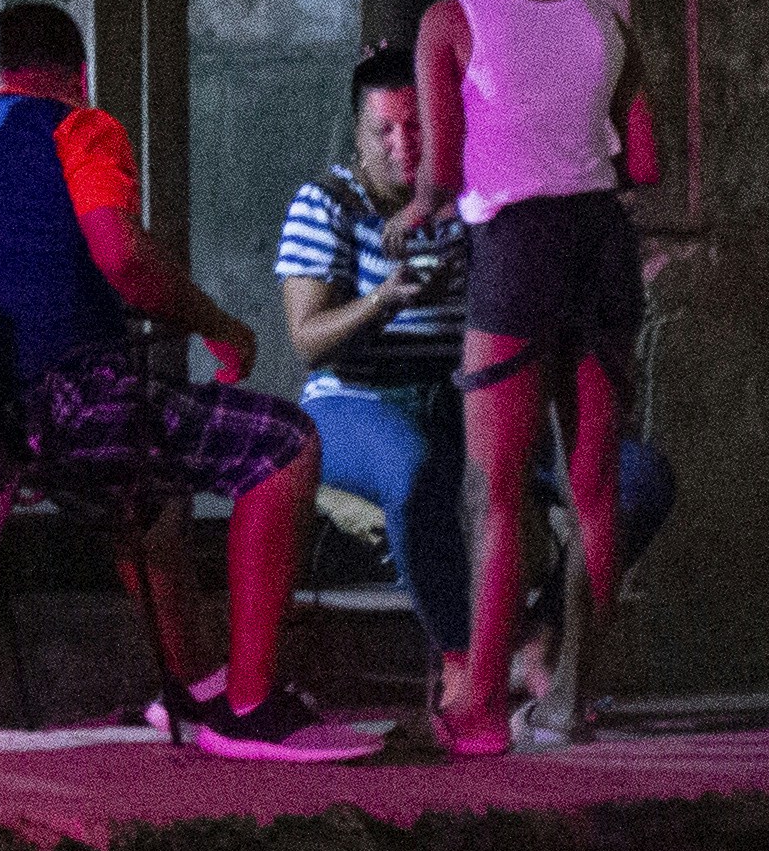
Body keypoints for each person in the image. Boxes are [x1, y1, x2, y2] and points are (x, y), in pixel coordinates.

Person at [0, 0, 379, 761]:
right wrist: (222, 324)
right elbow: (118, 255)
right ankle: (250, 708)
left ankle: (196, 689)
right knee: (286, 444)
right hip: (54, 411)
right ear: (78, 76)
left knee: (146, 501)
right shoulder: (79, 127)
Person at [283, 44, 674, 697]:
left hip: (471, 396)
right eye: (385, 131)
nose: (404, 145)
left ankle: (543, 637)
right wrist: (382, 302)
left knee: (637, 480)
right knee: (417, 471)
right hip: (356, 401)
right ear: (357, 134)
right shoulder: (325, 204)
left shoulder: (469, 199)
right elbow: (307, 342)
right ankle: (466, 662)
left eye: (417, 127)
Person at [398, 0, 666, 755]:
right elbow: (646, 161)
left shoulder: (451, 21)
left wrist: (421, 213)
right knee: (594, 485)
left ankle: (475, 709)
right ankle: (575, 700)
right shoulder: (602, 18)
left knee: (498, 490)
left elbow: (439, 167)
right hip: (602, 243)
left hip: (516, 246)